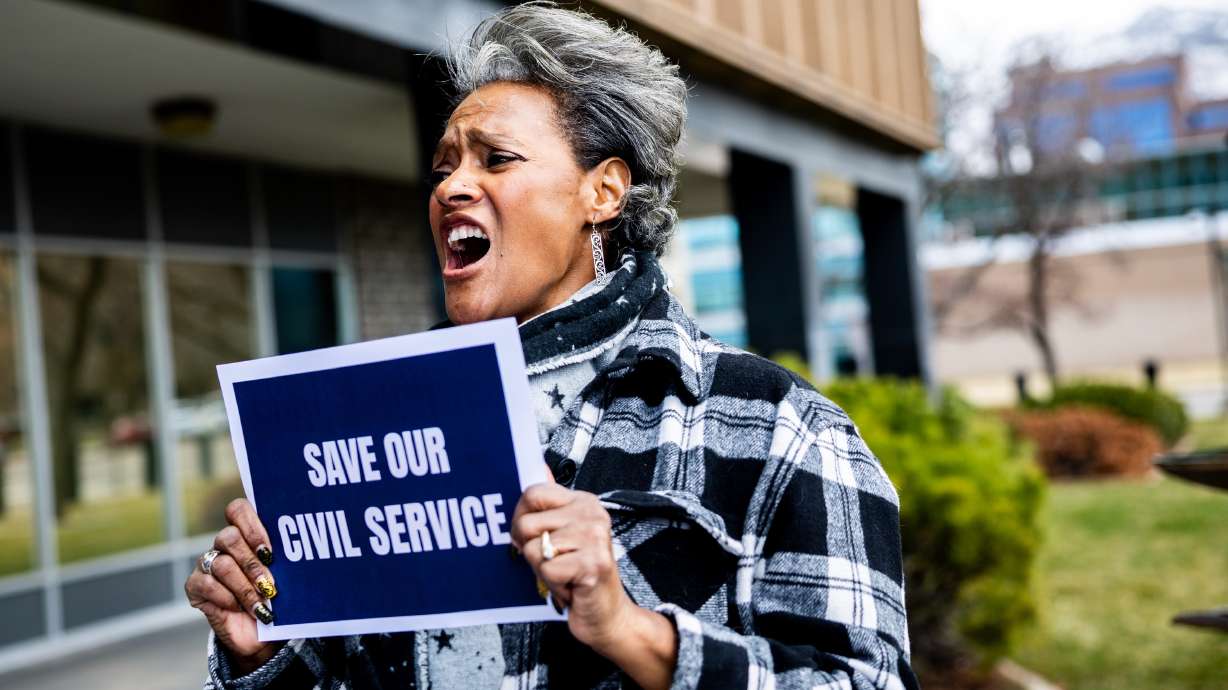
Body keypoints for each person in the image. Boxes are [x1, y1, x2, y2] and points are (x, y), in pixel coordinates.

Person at [184, 3, 916, 689]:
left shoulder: (780, 427)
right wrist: (265, 654)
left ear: (602, 194)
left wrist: (633, 630)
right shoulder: (377, 427)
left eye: (495, 159)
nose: (449, 188)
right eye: (443, 167)